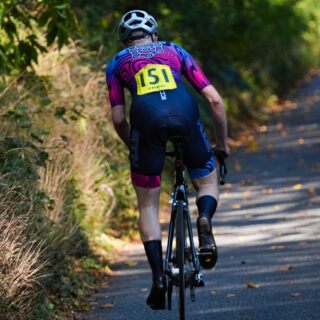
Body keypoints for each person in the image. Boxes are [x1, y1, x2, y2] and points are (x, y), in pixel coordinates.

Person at [106, 9, 230, 310]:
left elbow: (119, 118)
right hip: (185, 114)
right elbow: (214, 100)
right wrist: (222, 144)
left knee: (147, 204)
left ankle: (158, 278)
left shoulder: (116, 63)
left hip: (146, 123)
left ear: (125, 42)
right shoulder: (175, 51)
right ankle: (204, 218)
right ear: (155, 35)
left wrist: (133, 145)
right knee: (206, 180)